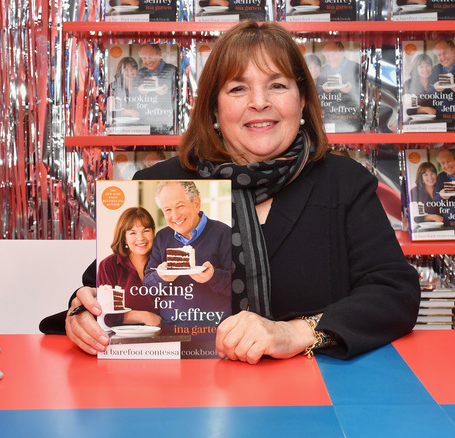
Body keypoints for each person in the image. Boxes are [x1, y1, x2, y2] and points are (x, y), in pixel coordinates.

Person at [64, 21, 420, 364]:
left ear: (301, 100)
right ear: (214, 107)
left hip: (318, 399)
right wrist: (83, 312)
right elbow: (102, 287)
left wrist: (298, 333)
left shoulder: (345, 182)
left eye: (278, 85)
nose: (259, 102)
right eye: (238, 89)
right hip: (187, 403)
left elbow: (394, 293)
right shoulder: (162, 183)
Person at [39, 207, 162, 344]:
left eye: (146, 230)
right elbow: (106, 314)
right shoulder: (108, 265)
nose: (141, 238)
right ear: (124, 237)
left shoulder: (165, 263)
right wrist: (142, 316)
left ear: (153, 232)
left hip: (166, 341)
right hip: (118, 342)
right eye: (132, 232)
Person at [144, 181, 232, 326]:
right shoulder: (162, 237)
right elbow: (148, 286)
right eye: (167, 210)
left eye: (180, 206)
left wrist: (212, 277)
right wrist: (161, 277)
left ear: (196, 204)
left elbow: (238, 287)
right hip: (170, 330)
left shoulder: (224, 233)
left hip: (212, 331)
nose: (175, 216)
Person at [318, 41, 362, 132]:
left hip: (352, 121)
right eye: (327, 55)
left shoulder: (356, 68)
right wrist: (323, 89)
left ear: (342, 52)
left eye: (333, 54)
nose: (330, 59)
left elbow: (367, 94)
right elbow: (315, 93)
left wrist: (352, 89)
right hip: (329, 121)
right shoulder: (323, 71)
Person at [135, 44, 177, 134]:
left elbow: (181, 98)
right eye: (144, 58)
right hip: (144, 126)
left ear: (159, 54)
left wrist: (168, 93)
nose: (148, 61)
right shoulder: (140, 73)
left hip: (168, 126)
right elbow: (131, 101)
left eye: (151, 56)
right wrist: (139, 93)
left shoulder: (173, 71)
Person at [108, 57, 141, 122]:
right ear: (121, 71)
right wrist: (127, 112)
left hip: (140, 124)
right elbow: (109, 110)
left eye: (133, 69)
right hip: (119, 125)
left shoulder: (141, 86)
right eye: (126, 69)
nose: (130, 72)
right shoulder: (113, 86)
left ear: (136, 70)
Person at [403, 53, 437, 118]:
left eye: (428, 65)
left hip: (438, 121)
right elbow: (405, 109)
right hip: (415, 123)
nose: (425, 69)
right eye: (421, 66)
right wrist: (426, 109)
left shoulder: (437, 83)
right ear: (416, 69)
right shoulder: (408, 84)